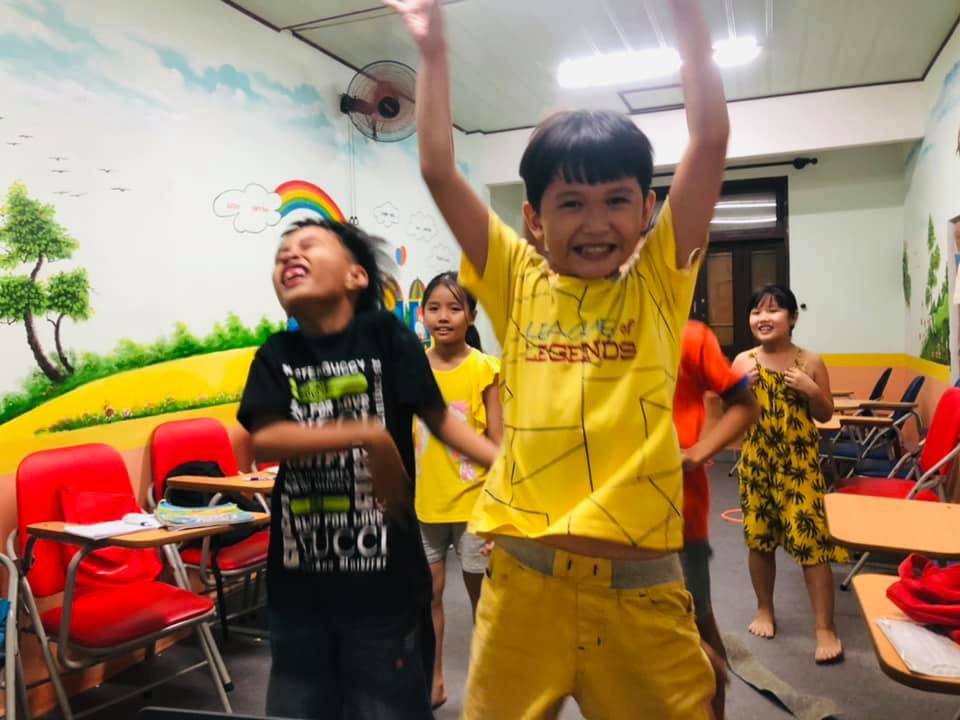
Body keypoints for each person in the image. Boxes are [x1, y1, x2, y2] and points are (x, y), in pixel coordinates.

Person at [386, 0, 730, 716]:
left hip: (641, 592)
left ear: (647, 210)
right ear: (534, 221)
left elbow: (709, 139)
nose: (596, 221)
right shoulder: (515, 279)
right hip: (524, 585)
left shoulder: (659, 283)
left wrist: (688, 18)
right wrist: (434, 52)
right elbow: (439, 168)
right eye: (570, 203)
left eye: (617, 200)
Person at [237, 217, 498, 719]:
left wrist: (509, 468)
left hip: (386, 586)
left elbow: (442, 420)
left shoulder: (385, 337)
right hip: (299, 589)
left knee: (387, 708)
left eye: (308, 244)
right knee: (301, 708)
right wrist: (366, 434)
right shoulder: (277, 353)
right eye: (281, 252)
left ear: (356, 276)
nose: (289, 254)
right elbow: (263, 438)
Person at [731, 284, 847, 664]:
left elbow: (825, 415)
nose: (763, 318)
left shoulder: (809, 362)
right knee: (759, 541)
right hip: (757, 465)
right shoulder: (742, 362)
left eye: (774, 310)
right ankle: (764, 609)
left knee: (812, 546)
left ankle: (825, 628)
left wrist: (811, 389)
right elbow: (729, 414)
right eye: (756, 311)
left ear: (793, 318)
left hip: (799, 468)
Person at [414, 271, 502, 709]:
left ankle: (489, 686)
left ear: (471, 315)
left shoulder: (486, 369)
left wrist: (501, 513)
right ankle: (434, 680)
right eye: (434, 308)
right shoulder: (412, 367)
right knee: (427, 597)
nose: (443, 317)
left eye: (454, 308)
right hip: (424, 504)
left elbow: (500, 446)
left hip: (475, 506)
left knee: (482, 601)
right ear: (422, 314)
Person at [674, 319, 760, 720]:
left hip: (679, 519)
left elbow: (745, 404)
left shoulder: (689, 337)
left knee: (696, 623)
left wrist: (697, 452)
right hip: (608, 521)